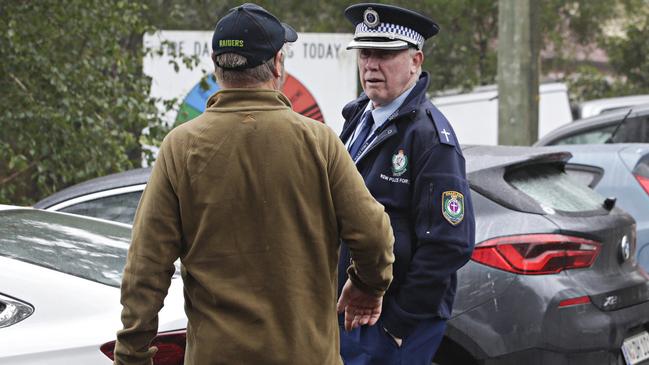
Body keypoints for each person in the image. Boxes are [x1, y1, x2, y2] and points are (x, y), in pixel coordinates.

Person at [113, 3, 395, 365]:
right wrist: (368, 286)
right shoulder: (318, 142)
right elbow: (374, 235)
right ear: (278, 63)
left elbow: (146, 268)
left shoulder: (181, 147)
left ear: (216, 66)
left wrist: (132, 354)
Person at [337, 3, 476, 364]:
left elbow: (450, 244)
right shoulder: (358, 119)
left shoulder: (429, 136)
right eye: (365, 53)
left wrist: (398, 323)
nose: (370, 64)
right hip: (352, 309)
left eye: (384, 54)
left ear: (415, 61)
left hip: (392, 319)